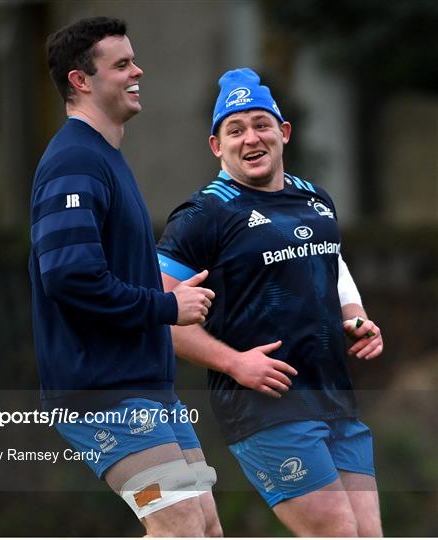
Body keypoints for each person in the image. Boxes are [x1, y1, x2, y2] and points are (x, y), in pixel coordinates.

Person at [157, 68, 384, 537]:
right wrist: (234, 362)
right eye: (234, 130)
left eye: (261, 124)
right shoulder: (204, 216)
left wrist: (355, 317)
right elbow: (160, 313)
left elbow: (331, 263)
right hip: (265, 406)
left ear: (283, 133)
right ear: (216, 146)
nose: (250, 138)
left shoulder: (314, 199)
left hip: (334, 398)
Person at [28, 17, 223, 537]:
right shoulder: (74, 161)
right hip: (104, 394)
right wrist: (165, 309)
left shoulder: (105, 159)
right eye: (122, 64)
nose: (139, 70)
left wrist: (164, 290)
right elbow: (69, 276)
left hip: (144, 389)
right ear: (81, 81)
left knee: (202, 525)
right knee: (178, 523)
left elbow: (104, 269)